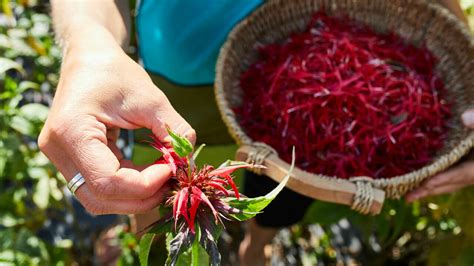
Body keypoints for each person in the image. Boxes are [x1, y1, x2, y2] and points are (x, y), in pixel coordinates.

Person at [39, 0, 472, 265]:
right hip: (178, 77)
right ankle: (147, 236)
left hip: (301, 54)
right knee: (155, 182)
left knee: (287, 182)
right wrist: (88, 44)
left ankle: (256, 243)